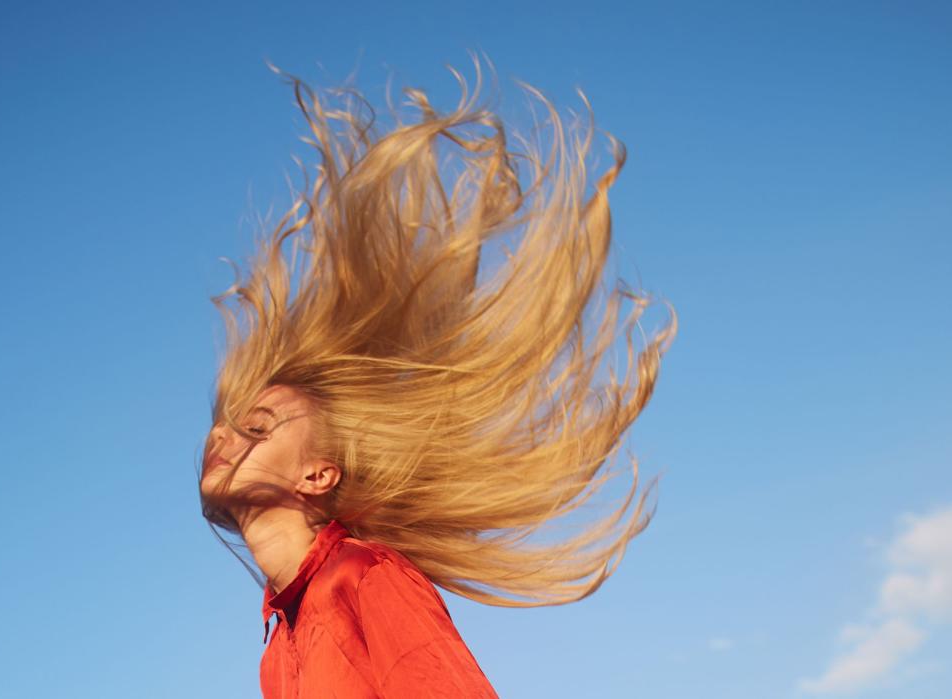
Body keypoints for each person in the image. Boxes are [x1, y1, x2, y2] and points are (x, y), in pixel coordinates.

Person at [198, 53, 678, 698]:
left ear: (318, 476)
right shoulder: (278, 639)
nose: (223, 436)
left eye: (256, 428)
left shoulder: (365, 576)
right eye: (228, 425)